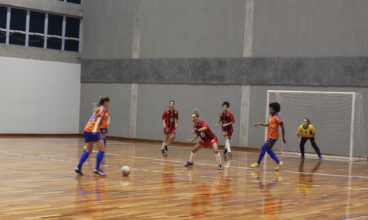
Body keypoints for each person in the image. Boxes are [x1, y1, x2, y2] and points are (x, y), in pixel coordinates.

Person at [75, 96, 110, 176]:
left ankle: (78, 167)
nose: (109, 104)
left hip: (86, 129)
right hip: (92, 130)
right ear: (106, 102)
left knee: (88, 151)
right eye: (109, 102)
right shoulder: (102, 109)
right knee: (102, 150)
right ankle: (97, 168)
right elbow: (98, 120)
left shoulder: (97, 108)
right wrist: (95, 128)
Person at [251, 102, 286, 171]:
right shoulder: (270, 117)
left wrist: (283, 137)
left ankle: (258, 163)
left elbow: (282, 127)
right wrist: (260, 124)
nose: (270, 110)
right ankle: (278, 162)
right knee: (269, 150)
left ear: (275, 110)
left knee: (263, 147)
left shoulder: (278, 118)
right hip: (270, 136)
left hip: (274, 137)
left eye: (272, 109)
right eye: (270, 109)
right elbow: (269, 124)